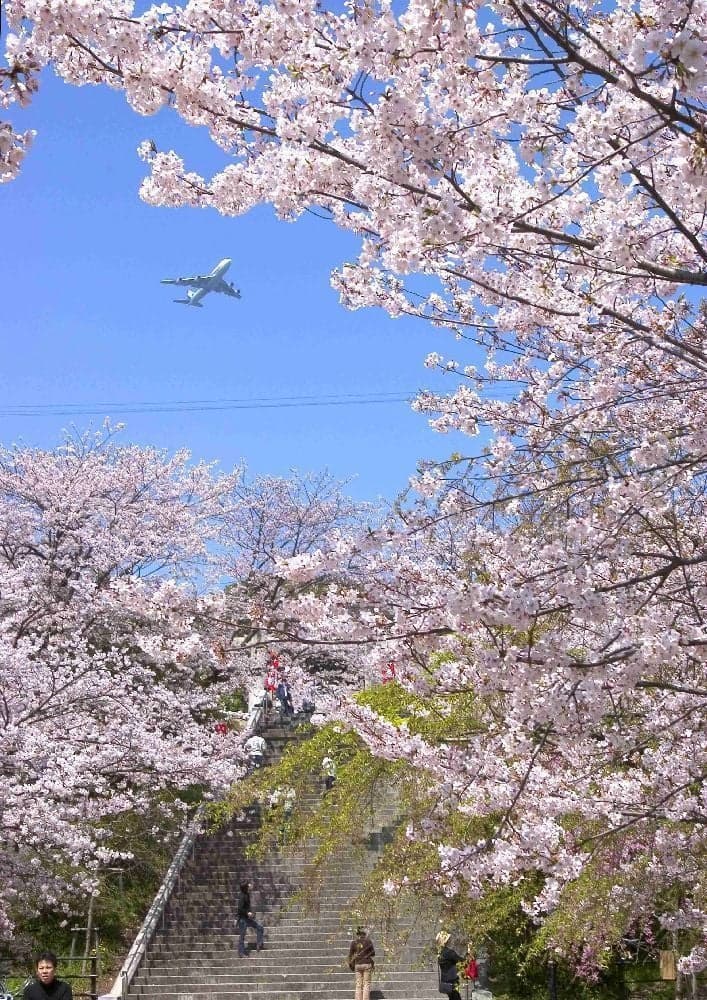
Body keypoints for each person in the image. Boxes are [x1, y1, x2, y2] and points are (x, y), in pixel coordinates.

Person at [236, 880, 264, 956]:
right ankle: (241, 952)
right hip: (242, 919)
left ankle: (259, 944)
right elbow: (239, 908)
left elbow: (246, 907)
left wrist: (250, 913)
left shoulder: (247, 894)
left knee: (260, 927)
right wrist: (247, 912)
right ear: (246, 887)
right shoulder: (242, 896)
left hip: (247, 919)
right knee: (242, 936)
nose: (250, 885)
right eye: (249, 884)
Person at [347, 926, 375, 1000]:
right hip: (367, 963)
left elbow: (350, 955)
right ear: (364, 933)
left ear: (358, 934)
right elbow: (373, 953)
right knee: (366, 984)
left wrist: (350, 964)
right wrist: (367, 954)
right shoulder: (368, 941)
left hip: (357, 964)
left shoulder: (354, 942)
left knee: (358, 985)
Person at [436, 931, 464, 1000]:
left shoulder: (440, 952)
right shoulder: (449, 952)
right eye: (449, 939)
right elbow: (462, 961)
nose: (450, 940)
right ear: (446, 941)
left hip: (445, 982)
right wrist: (469, 952)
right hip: (452, 981)